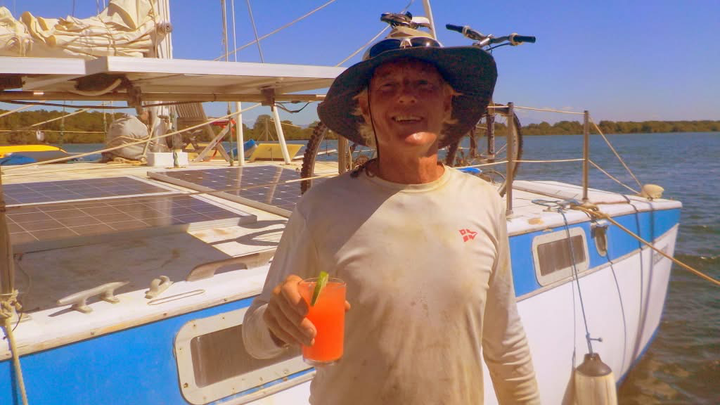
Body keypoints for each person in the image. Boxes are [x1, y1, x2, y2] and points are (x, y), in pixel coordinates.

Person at [243, 27, 540, 404]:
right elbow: (254, 340)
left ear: (448, 103)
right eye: (387, 86)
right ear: (365, 108)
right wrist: (275, 321)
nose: (406, 96)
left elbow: (505, 340)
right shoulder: (320, 207)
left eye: (423, 83)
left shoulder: (483, 201)